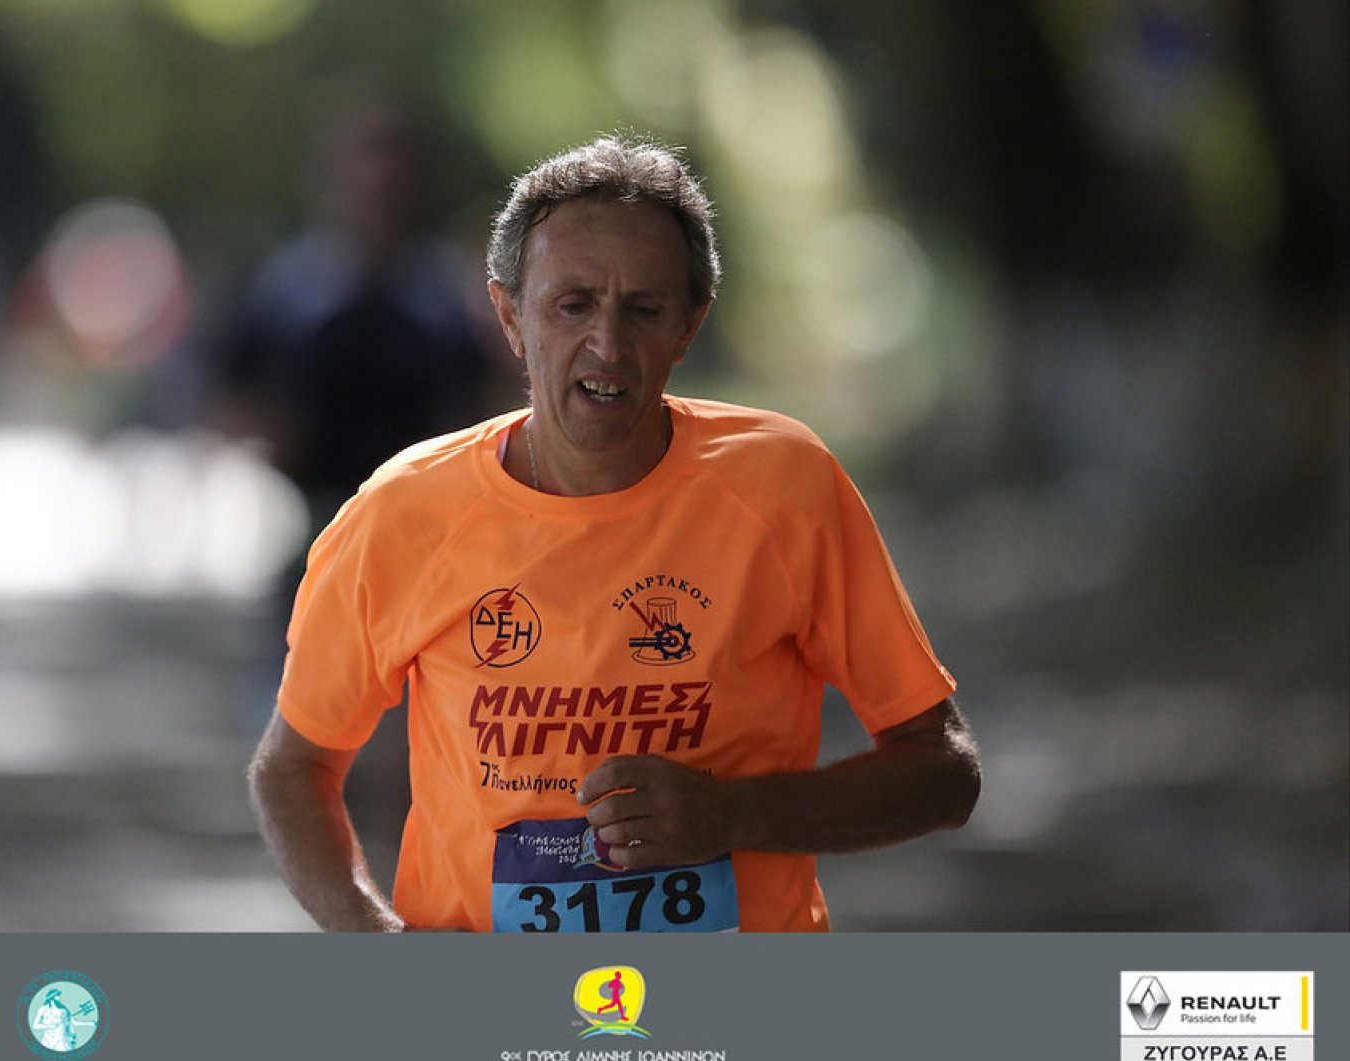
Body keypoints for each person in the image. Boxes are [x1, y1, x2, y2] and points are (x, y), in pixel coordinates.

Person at [249, 134, 980, 933]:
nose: (608, 346)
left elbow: (944, 772)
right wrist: (375, 938)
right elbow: (293, 768)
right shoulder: (405, 511)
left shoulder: (783, 488)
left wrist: (733, 814)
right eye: (573, 305)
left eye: (645, 310)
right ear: (509, 316)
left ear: (690, 325)